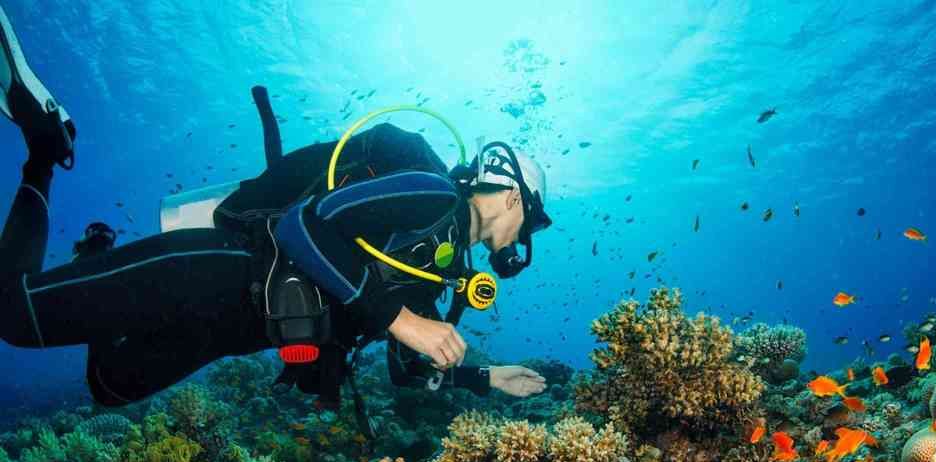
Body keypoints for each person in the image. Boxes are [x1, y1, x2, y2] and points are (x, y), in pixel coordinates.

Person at [0, 6, 549, 413]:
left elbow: (406, 369)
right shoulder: (431, 194)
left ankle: (95, 251)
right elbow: (302, 225)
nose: (527, 238)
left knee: (109, 386)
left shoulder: (442, 272)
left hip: (229, 334)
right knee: (14, 318)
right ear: (510, 196)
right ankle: (45, 154)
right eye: (532, 219)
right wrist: (404, 321)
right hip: (220, 270)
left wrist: (483, 377)